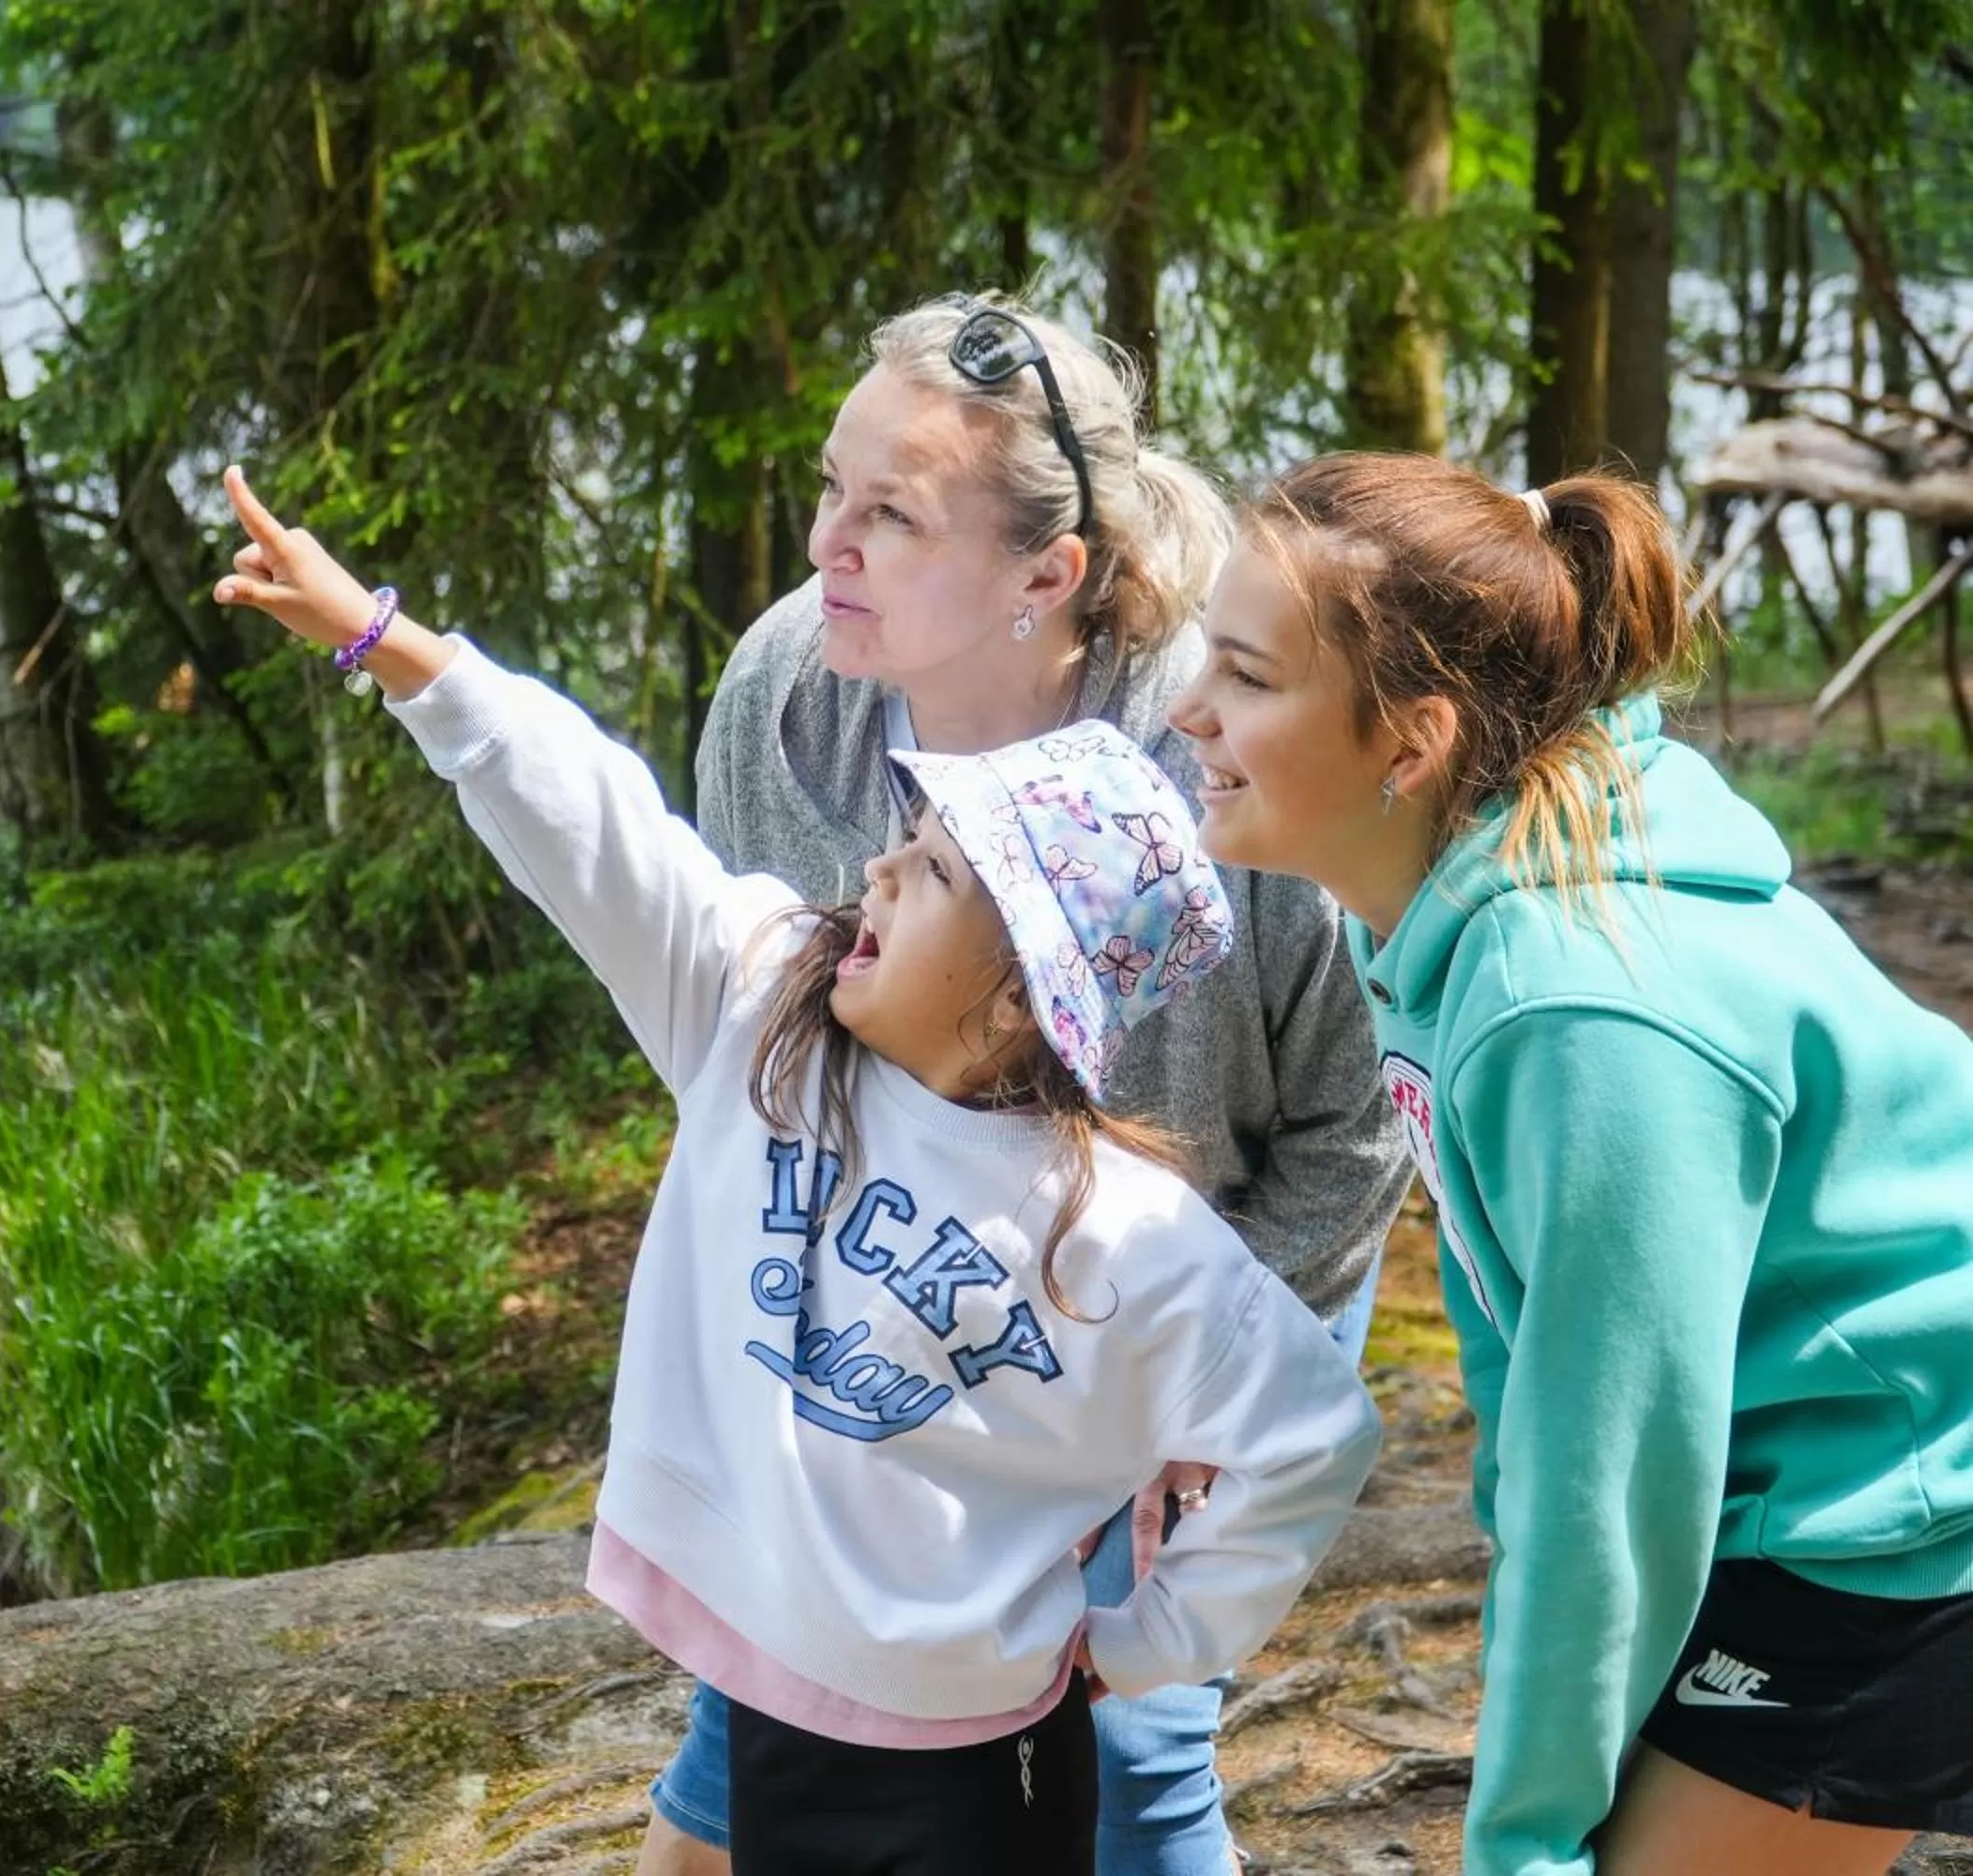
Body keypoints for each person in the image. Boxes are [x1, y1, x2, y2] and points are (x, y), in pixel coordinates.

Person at [213, 462, 1384, 1875]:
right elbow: (598, 827)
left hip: (985, 1768)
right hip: (775, 1703)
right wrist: (392, 649)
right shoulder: (765, 1012)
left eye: (936, 871)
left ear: (1021, 1001)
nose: (879, 876)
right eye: (905, 839)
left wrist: (1150, 1639)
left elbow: (1316, 1435)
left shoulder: (1124, 1232)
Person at [675, 290, 1414, 1874]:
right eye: (828, 490)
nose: (825, 547)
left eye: (891, 515)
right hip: (897, 1264)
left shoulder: (1218, 756)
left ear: (1048, 576)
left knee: (1136, 1758)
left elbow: (1359, 1129)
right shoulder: (786, 702)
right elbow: (751, 1031)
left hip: (1205, 1269)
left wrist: (1162, 1428)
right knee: (761, 1701)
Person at [1165, 452, 1973, 1876]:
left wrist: (1525, 1836)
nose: (1190, 710)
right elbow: (1513, 1330)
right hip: (1787, 1486)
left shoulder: (1577, 1007)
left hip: (1900, 1511)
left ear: (1409, 744)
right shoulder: (1423, 913)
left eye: (1246, 675)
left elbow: (1608, 1474)